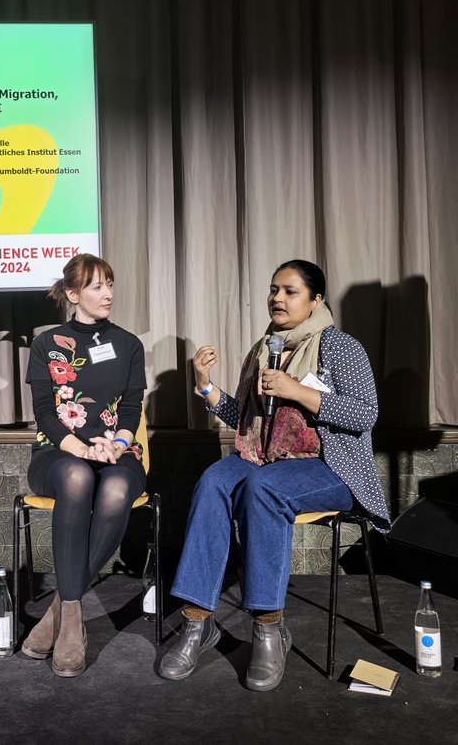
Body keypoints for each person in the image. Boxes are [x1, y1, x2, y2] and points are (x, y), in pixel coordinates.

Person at [157, 259, 390, 691]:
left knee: (264, 490)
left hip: (330, 467)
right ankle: (196, 624)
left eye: (290, 291)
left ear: (316, 300)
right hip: (264, 460)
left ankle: (267, 628)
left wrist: (296, 390)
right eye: (273, 290)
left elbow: (365, 414)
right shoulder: (267, 347)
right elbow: (247, 419)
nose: (277, 298)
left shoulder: (340, 347)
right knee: (212, 481)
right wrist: (206, 386)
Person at [22, 253, 146, 677]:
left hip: (116, 450)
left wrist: (116, 443)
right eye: (96, 286)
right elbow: (43, 410)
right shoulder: (46, 343)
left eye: (109, 283)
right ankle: (73, 620)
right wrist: (78, 447)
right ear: (73, 294)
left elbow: (131, 409)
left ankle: (60, 610)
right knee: (77, 479)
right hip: (58, 453)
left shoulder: (130, 344)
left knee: (113, 489)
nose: (107, 293)